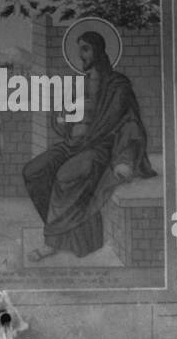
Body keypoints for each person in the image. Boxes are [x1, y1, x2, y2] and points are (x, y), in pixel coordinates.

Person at [23, 30, 155, 260]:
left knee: (65, 176)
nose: (80, 54)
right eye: (79, 49)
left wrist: (124, 160)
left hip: (100, 148)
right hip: (73, 144)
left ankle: (52, 240)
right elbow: (62, 117)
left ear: (98, 51)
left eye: (85, 49)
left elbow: (131, 124)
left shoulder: (118, 85)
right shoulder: (78, 84)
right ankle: (65, 228)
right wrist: (62, 121)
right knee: (34, 171)